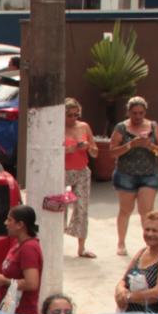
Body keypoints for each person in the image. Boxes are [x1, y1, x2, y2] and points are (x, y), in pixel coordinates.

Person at [108, 96, 158, 257]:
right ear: (128, 112)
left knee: (146, 212)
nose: (138, 116)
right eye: (134, 113)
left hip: (148, 174)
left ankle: (150, 244)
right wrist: (130, 145)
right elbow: (112, 152)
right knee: (125, 210)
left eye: (141, 113)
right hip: (126, 174)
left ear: (145, 112)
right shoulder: (121, 128)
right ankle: (121, 242)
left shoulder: (153, 126)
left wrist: (150, 146)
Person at [114, 210, 158, 314]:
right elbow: (124, 279)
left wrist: (128, 297)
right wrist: (120, 290)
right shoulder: (142, 252)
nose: (150, 234)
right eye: (147, 229)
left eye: (155, 231)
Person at [61, 99, 97, 257]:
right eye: (69, 115)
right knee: (60, 208)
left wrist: (89, 147)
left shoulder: (84, 127)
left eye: (76, 115)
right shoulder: (57, 129)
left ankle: (81, 247)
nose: (73, 118)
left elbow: (95, 151)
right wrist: (72, 148)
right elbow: (53, 153)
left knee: (82, 208)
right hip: (62, 171)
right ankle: (57, 244)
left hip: (81, 170)